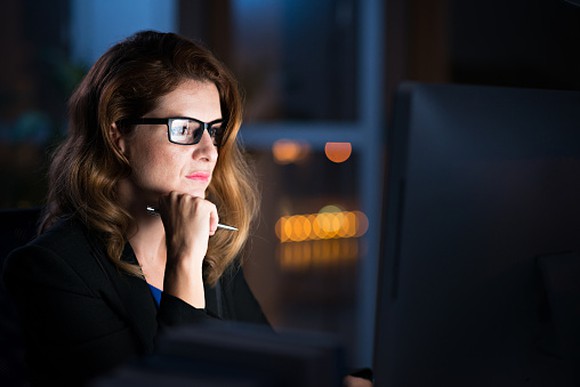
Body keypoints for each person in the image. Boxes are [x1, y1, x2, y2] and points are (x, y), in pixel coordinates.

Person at [3, 30, 373, 387]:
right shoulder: (53, 270)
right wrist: (184, 262)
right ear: (118, 136)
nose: (209, 151)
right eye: (184, 129)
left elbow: (266, 367)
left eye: (213, 129)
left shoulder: (208, 248)